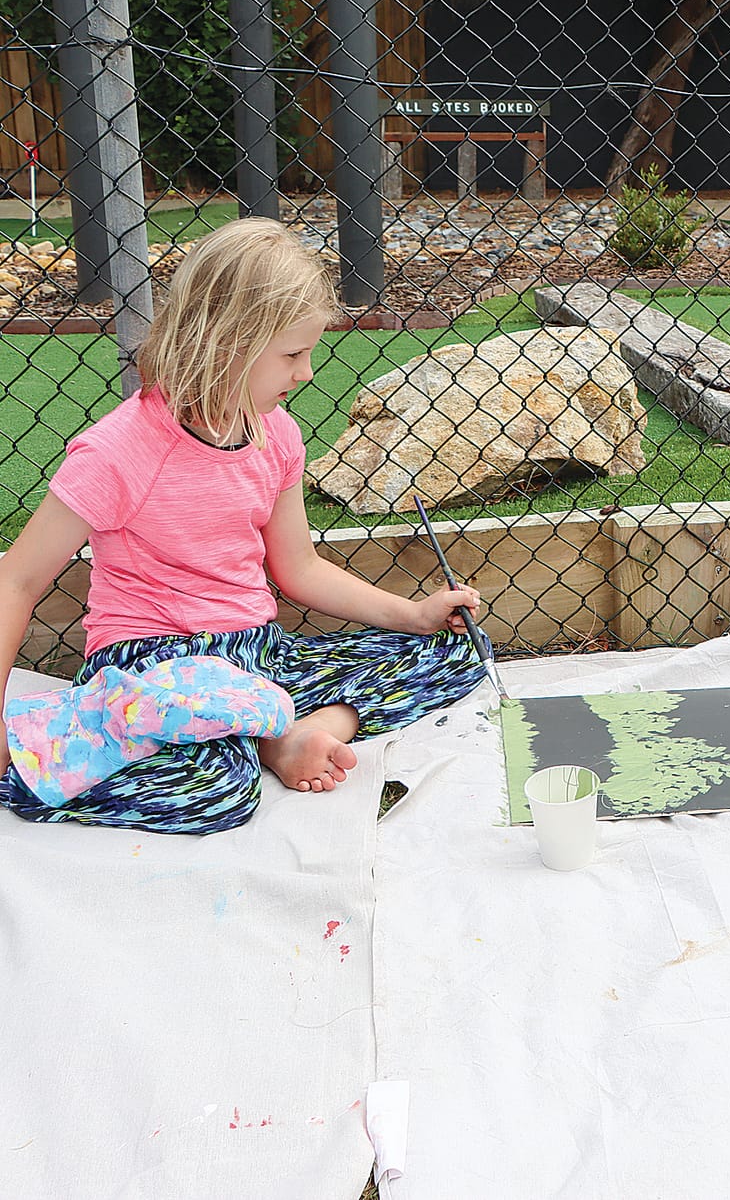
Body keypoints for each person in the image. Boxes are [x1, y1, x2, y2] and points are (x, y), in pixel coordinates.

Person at [0, 217, 489, 834]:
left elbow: (299, 568)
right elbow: (15, 581)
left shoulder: (275, 434)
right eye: (292, 354)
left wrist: (412, 614)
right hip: (155, 667)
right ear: (224, 341)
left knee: (454, 652)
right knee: (214, 794)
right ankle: (53, 745)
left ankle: (277, 733)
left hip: (254, 654)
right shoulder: (118, 452)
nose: (307, 373)